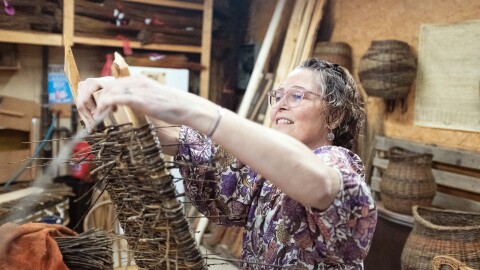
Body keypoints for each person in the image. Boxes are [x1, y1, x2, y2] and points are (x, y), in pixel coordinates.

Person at [77, 57, 377, 269]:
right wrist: (114, 97)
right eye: (278, 95)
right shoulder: (265, 173)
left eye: (297, 96)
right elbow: (196, 150)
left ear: (335, 116)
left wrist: (190, 107)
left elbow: (323, 184)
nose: (281, 104)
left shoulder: (335, 161)